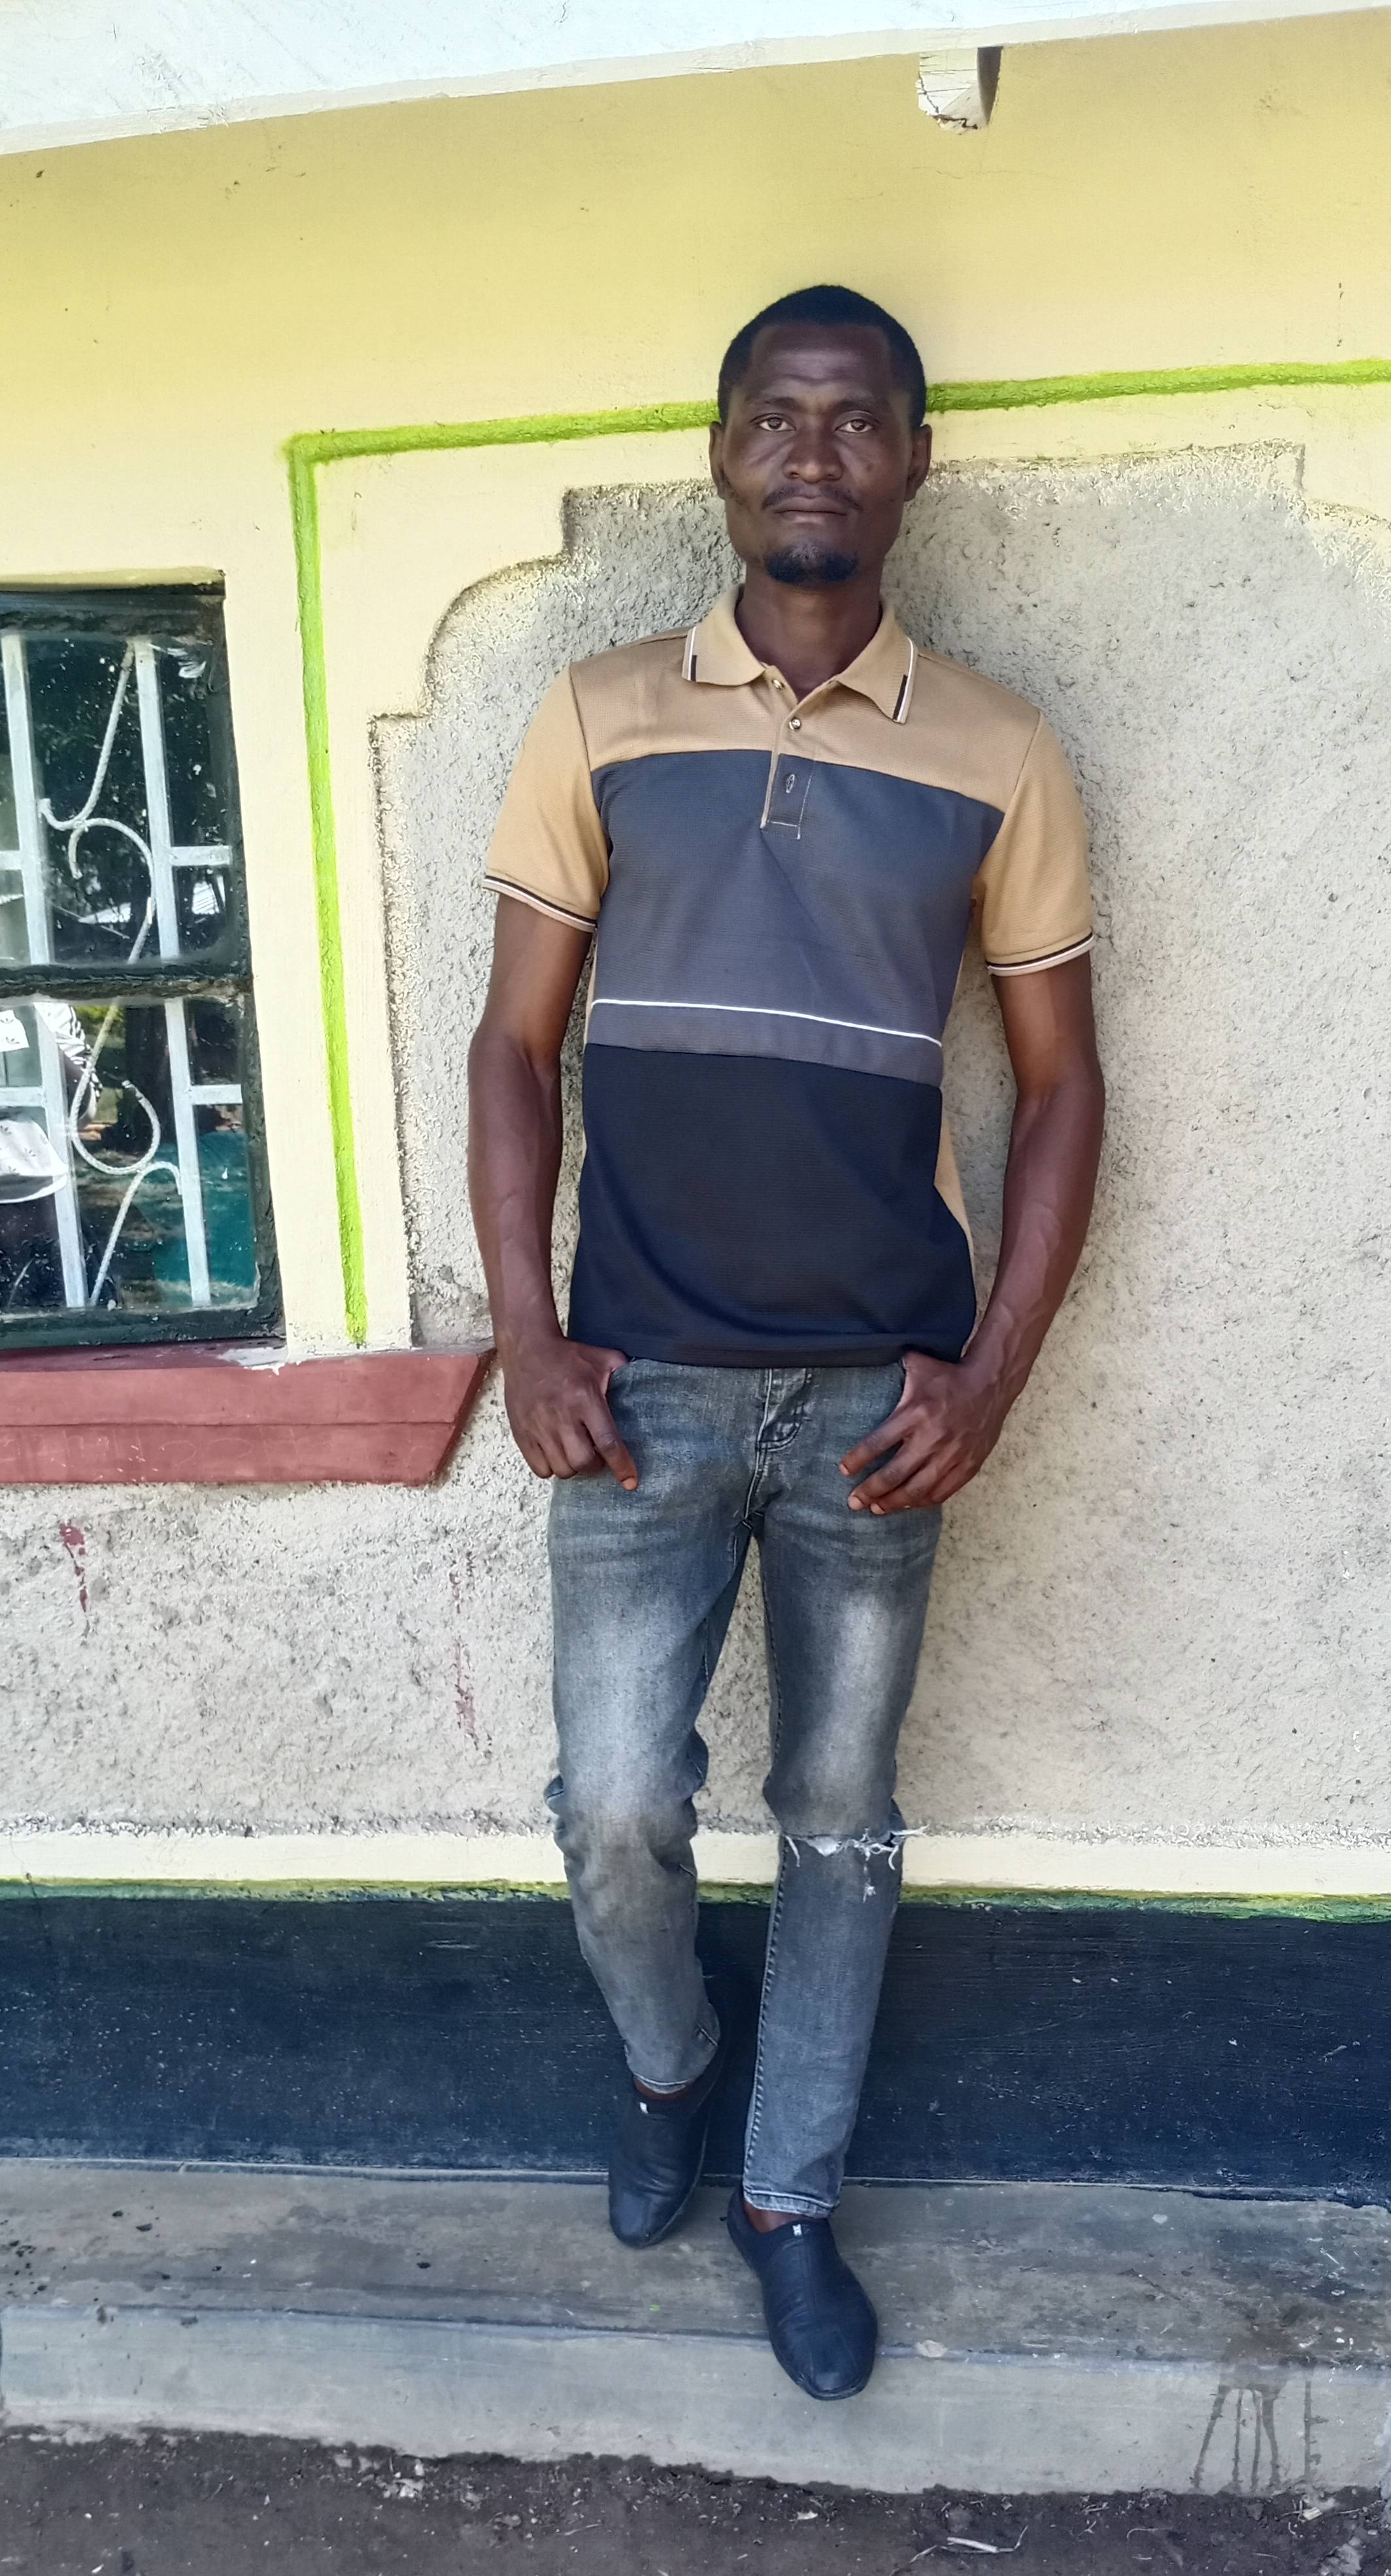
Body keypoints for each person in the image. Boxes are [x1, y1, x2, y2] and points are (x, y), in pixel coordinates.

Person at [468, 283, 1104, 2402]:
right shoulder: (596, 716)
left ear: (914, 459)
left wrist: (990, 1377)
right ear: (721, 454)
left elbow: (1064, 1089)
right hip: (634, 1384)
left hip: (873, 1405)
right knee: (613, 1806)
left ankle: (788, 2197)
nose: (810, 450)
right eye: (772, 414)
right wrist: (530, 1333)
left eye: (853, 417)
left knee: (840, 1813)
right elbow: (511, 1047)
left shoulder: (1001, 751)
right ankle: (673, 2066)